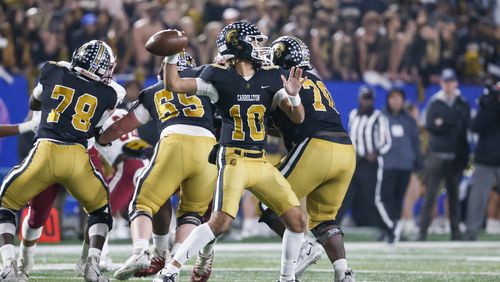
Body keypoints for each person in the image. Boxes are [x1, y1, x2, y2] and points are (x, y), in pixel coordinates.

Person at [157, 22, 306, 282]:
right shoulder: (217, 75)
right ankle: (170, 270)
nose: (260, 47)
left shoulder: (270, 75)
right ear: (240, 44)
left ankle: (287, 278)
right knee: (220, 222)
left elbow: (298, 117)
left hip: (260, 161)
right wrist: (171, 55)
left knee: (297, 222)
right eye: (255, 42)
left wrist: (293, 96)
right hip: (233, 158)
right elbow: (174, 84)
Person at [0, 40, 123, 282]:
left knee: (7, 204)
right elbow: (96, 131)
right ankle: (92, 266)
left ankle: (8, 266)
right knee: (100, 210)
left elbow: (34, 103)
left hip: (45, 151)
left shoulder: (52, 70)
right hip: (78, 157)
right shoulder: (109, 94)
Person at [95, 52, 218, 280]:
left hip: (175, 142)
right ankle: (173, 265)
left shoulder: (154, 92)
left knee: (142, 203)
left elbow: (122, 126)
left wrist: (101, 138)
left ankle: (141, 251)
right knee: (192, 214)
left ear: (164, 72)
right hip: (209, 149)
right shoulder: (208, 87)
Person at [259, 36, 356, 281]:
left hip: (316, 147)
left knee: (268, 201)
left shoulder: (279, 77)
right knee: (324, 219)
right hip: (345, 149)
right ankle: (343, 271)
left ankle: (303, 248)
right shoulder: (315, 79)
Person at [418, 68, 470, 241]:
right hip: (436, 155)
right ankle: (422, 231)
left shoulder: (462, 102)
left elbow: (464, 128)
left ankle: (455, 231)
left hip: (454, 156)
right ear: (442, 83)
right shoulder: (435, 102)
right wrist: (450, 122)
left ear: (456, 83)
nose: (448, 85)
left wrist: (444, 122)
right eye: (445, 82)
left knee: (454, 197)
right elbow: (431, 125)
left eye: (451, 81)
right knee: (430, 196)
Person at [340, 86, 391, 227]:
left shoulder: (379, 117)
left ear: (373, 100)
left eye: (369, 99)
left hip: (370, 164)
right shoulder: (353, 114)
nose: (366, 102)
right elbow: (352, 136)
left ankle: (387, 228)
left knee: (372, 198)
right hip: (354, 161)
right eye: (364, 98)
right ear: (359, 99)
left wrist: (376, 153)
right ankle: (332, 227)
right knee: (345, 195)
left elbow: (386, 141)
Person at [377, 88, 421, 243]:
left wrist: (417, 161)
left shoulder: (409, 120)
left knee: (398, 199)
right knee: (385, 199)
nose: (395, 101)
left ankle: (395, 229)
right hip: (386, 164)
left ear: (403, 100)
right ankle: (386, 228)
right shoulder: (381, 117)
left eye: (398, 98)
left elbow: (415, 142)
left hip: (405, 165)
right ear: (388, 100)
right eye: (393, 98)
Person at [465, 82, 500, 240]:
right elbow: (475, 126)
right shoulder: (488, 108)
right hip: (485, 159)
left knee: (478, 196)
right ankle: (471, 231)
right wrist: (488, 107)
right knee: (478, 197)